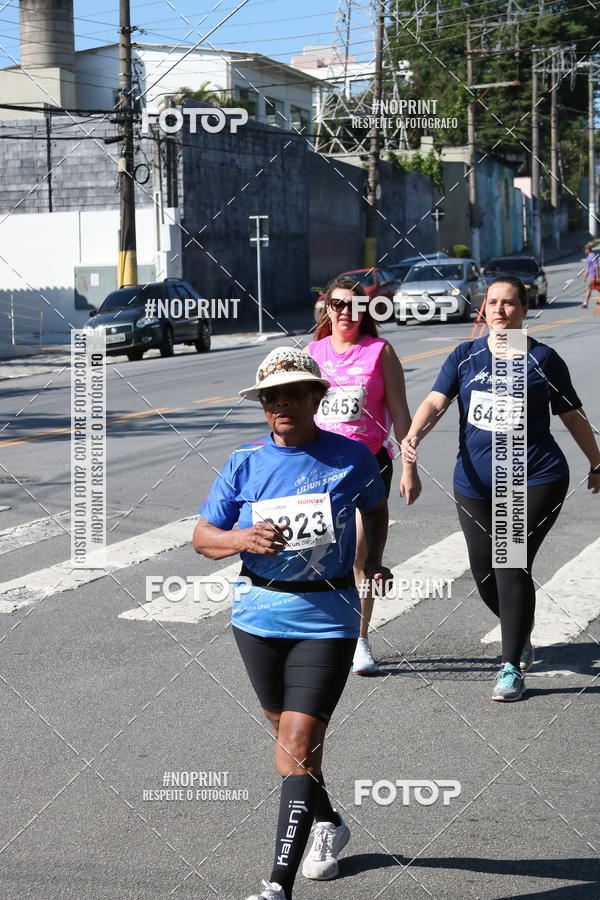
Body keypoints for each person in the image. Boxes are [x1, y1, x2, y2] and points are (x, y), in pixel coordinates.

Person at [193, 346, 391, 900]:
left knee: (298, 740)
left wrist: (374, 559)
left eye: (292, 394)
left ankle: (276, 886)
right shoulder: (244, 463)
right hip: (257, 618)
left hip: (327, 617)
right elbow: (203, 537)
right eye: (270, 397)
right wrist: (240, 538)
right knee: (290, 745)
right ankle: (327, 821)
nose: (280, 404)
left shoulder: (351, 457)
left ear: (316, 397)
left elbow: (375, 507)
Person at [401, 276, 600, 702]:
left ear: (524, 310)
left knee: (510, 561)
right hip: (474, 481)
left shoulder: (543, 359)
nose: (499, 310)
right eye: (492, 302)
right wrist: (414, 435)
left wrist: (596, 462)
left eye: (509, 303)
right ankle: (519, 627)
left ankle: (510, 666)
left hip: (535, 477)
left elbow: (572, 415)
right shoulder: (465, 356)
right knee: (484, 571)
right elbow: (436, 401)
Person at [307, 276, 421, 675]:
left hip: (368, 464)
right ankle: (325, 632)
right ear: (327, 308)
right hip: (319, 467)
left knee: (360, 552)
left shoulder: (379, 351)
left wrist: (410, 466)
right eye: (337, 304)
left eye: (354, 305)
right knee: (319, 553)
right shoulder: (312, 352)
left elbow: (401, 412)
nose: (345, 312)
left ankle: (360, 639)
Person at [578, 243, 600, 310]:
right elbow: (587, 268)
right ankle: (585, 303)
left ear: (588, 249)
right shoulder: (588, 257)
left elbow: (597, 266)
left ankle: (585, 303)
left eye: (585, 249)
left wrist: (598, 277)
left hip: (594, 275)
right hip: (591, 275)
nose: (584, 251)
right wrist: (585, 277)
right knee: (597, 288)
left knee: (589, 289)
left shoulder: (593, 256)